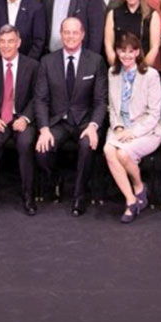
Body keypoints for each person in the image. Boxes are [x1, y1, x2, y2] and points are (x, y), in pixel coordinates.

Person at [34, 17, 108, 216]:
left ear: (83, 35)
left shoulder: (95, 61)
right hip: (58, 122)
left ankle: (79, 195)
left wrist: (93, 126)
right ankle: (55, 178)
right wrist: (43, 129)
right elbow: (40, 99)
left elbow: (101, 101)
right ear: (61, 33)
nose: (70, 36)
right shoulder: (47, 61)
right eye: (67, 32)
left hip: (85, 122)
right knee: (42, 151)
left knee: (87, 146)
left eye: (75, 32)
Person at [0, 25, 41, 214]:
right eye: (2, 42)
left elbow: (37, 97)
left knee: (25, 143)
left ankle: (28, 194)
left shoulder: (32, 66)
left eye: (11, 41)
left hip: (22, 118)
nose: (6, 46)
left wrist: (26, 118)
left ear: (19, 43)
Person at [104, 33, 161, 223]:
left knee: (123, 154)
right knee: (108, 149)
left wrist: (133, 132)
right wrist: (119, 127)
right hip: (120, 127)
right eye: (122, 51)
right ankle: (130, 199)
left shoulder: (150, 75)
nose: (126, 56)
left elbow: (154, 114)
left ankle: (139, 186)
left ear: (138, 52)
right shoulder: (113, 72)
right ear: (117, 52)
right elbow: (112, 107)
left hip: (146, 130)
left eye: (131, 52)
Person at [103, 0, 161, 69]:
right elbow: (108, 45)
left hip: (143, 70)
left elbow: (154, 47)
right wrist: (117, 68)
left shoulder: (152, 15)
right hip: (119, 70)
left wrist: (141, 69)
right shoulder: (113, 14)